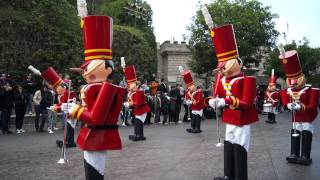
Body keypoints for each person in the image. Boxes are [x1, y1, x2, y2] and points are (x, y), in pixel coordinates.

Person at [62, 14, 125, 179]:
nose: (84, 72)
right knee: (90, 168)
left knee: (95, 171)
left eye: (87, 68)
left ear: (105, 68)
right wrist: (71, 109)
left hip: (99, 135)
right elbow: (89, 109)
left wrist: (76, 111)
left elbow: (96, 118)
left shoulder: (107, 88)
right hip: (91, 133)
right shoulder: (93, 87)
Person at [207, 24, 258, 180]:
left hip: (243, 117)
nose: (222, 70)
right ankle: (228, 175)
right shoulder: (221, 80)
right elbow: (218, 95)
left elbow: (247, 102)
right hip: (230, 116)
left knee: (240, 145)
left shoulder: (247, 80)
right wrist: (213, 101)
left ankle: (240, 176)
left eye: (224, 66)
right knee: (229, 143)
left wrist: (226, 100)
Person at [278, 47, 319, 166]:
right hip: (296, 117)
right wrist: (288, 105)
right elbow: (285, 101)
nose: (293, 83)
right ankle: (294, 154)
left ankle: (305, 155)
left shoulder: (311, 90)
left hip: (307, 117)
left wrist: (300, 107)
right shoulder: (288, 90)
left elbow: (312, 106)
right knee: (295, 133)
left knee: (306, 133)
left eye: (295, 79)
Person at [123, 65, 151, 141]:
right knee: (137, 122)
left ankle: (139, 135)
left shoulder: (138, 92)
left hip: (141, 109)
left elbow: (138, 102)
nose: (128, 87)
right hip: (138, 110)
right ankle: (138, 134)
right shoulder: (133, 92)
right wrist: (128, 104)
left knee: (138, 123)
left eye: (129, 85)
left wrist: (130, 104)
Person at [179, 66, 204, 133]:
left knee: (198, 117)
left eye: (189, 87)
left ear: (192, 86)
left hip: (198, 107)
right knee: (193, 117)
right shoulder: (190, 92)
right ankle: (192, 127)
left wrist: (191, 102)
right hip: (194, 107)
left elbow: (199, 101)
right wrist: (188, 101)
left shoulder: (198, 92)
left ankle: (197, 128)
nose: (188, 88)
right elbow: (187, 97)